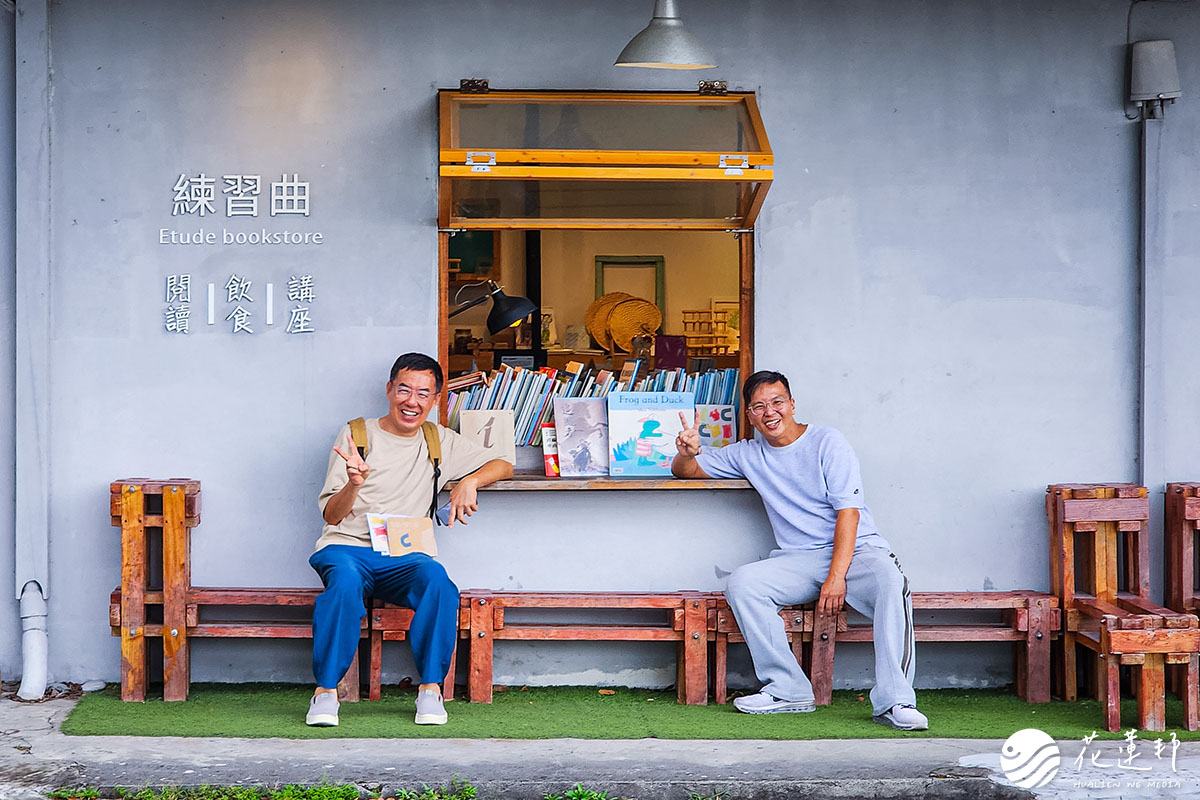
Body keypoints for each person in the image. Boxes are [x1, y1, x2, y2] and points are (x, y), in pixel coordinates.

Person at [671, 370, 927, 730]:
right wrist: (686, 452)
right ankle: (789, 689)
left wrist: (837, 577)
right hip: (800, 559)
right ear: (749, 415)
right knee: (743, 583)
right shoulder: (747, 453)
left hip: (857, 551)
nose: (769, 412)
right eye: (758, 406)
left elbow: (848, 513)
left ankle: (895, 701)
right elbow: (689, 471)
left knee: (890, 581)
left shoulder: (828, 442)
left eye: (777, 402)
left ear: (792, 404)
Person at [305, 352, 513, 727]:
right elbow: (331, 515)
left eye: (422, 393)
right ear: (389, 390)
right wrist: (354, 483)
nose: (411, 401)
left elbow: (504, 463)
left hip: (405, 556)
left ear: (436, 400)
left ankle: (430, 690)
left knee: (439, 584)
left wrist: (469, 481)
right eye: (404, 389)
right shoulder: (357, 434)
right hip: (348, 549)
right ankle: (324, 692)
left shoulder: (438, 440)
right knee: (345, 585)